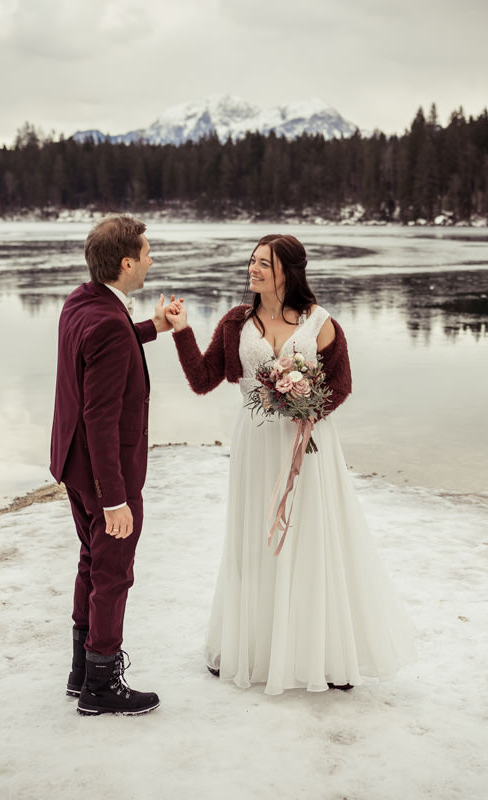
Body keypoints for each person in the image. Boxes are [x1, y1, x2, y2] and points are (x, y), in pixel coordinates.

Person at [165, 234, 414, 694]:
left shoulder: (319, 322)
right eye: (253, 261)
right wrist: (181, 330)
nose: (254, 270)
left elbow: (340, 385)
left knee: (310, 538)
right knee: (254, 540)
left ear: (289, 272)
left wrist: (305, 411)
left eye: (265, 263)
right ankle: (252, 648)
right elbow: (202, 380)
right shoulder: (235, 321)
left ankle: (325, 655)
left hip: (307, 446)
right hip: (255, 443)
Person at [49, 214, 179, 716]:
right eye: (147, 253)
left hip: (73, 464)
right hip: (105, 473)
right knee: (113, 573)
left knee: (91, 562)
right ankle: (101, 685)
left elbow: (112, 341)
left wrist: (156, 326)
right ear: (126, 263)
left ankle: (82, 670)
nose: (151, 259)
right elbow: (100, 417)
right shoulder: (106, 320)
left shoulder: (83, 301)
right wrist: (116, 500)